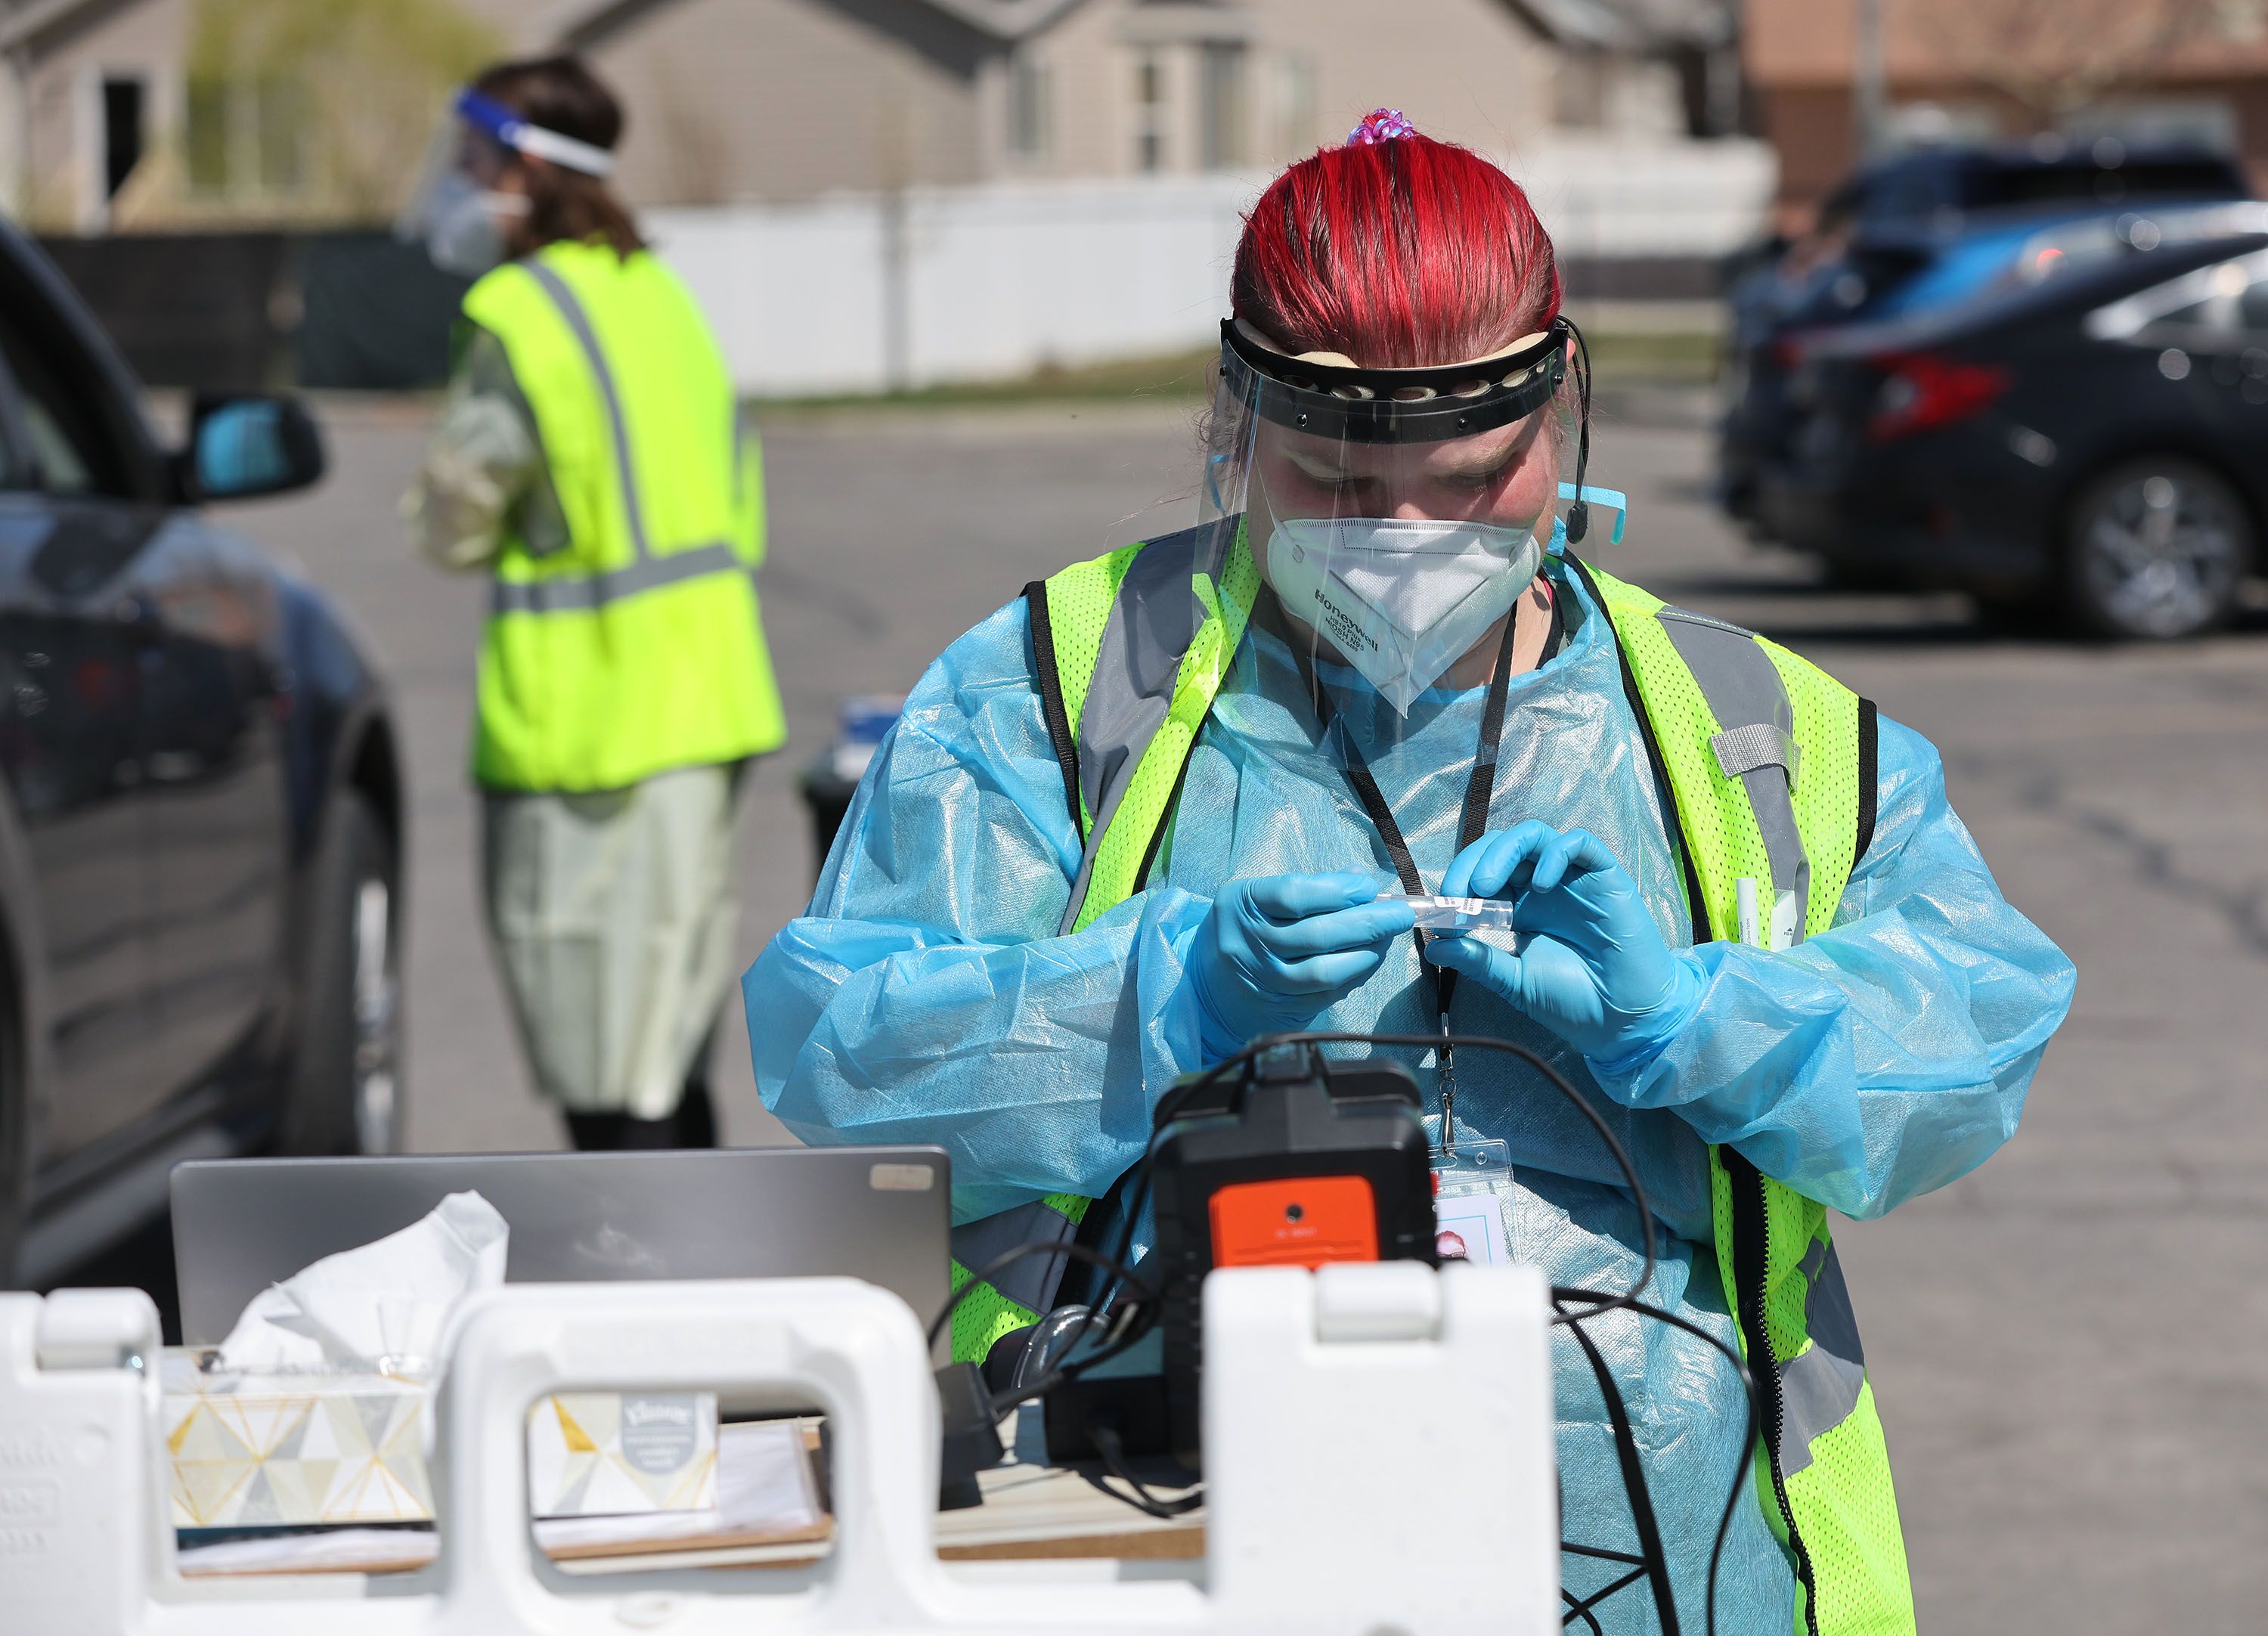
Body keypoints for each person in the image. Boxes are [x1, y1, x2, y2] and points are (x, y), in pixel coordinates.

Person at [742, 113, 2074, 1634]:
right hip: (1170, 1543)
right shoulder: (1059, 688)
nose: (1406, 537)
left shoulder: (1755, 735)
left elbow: (1965, 1046)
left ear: (1564, 414)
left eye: (1473, 479)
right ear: (1233, 423)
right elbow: (838, 1051)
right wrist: (1151, 997)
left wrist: (1693, 1019)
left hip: (1669, 1558)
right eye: (1332, 482)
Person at [403, 56, 785, 1151]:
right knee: (666, 1041)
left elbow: (457, 519)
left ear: (524, 168)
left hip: (591, 731)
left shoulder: (520, 315)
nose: (461, 181)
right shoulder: (654, 293)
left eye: (474, 158)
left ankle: (642, 1294)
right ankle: (708, 1284)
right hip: (708, 707)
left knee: (603, 1066)